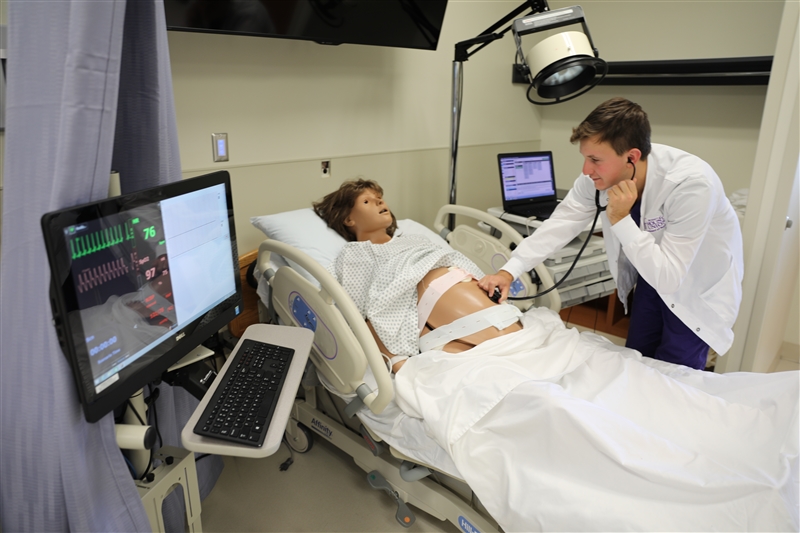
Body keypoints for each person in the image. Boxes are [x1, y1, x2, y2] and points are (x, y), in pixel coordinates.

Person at [479, 97, 744, 370]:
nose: (585, 170)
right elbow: (560, 224)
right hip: (651, 278)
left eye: (595, 160)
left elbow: (670, 277)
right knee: (637, 360)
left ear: (632, 156)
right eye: (585, 158)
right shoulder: (597, 179)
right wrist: (509, 271)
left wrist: (619, 218)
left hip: (695, 287)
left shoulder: (690, 185)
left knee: (676, 375)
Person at [313, 179, 522, 373]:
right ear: (348, 219)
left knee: (513, 346)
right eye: (367, 201)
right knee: (512, 346)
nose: (379, 203)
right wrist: (394, 359)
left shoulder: (416, 238)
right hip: (435, 303)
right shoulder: (355, 253)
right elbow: (362, 311)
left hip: (471, 290)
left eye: (380, 199)